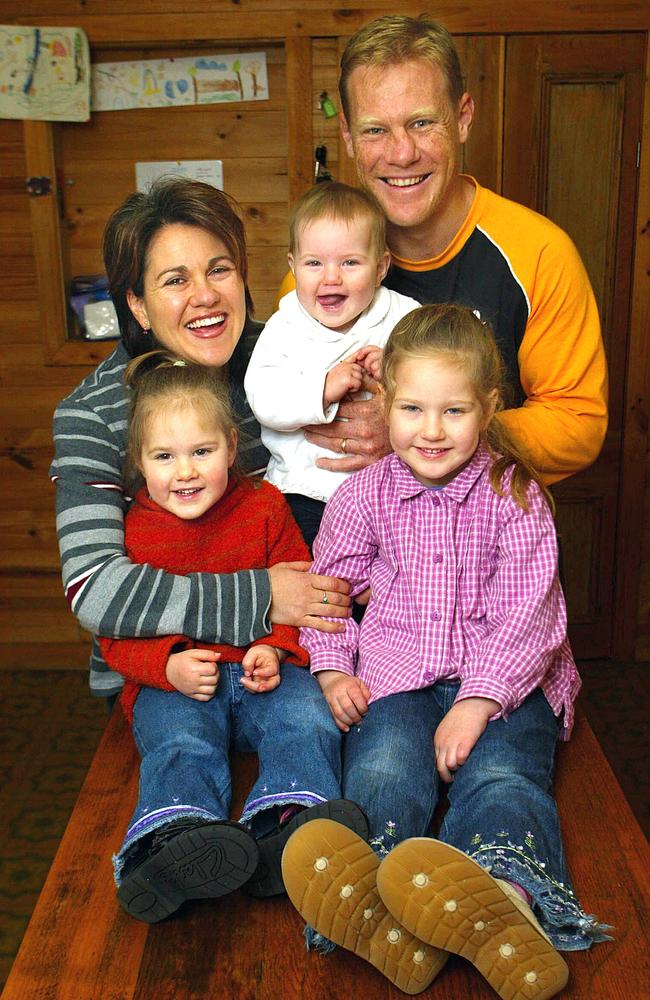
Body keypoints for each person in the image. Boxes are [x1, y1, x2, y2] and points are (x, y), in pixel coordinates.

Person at [282, 305, 609, 998]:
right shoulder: (363, 496)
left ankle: (504, 900)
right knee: (384, 765)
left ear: (488, 409)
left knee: (503, 775)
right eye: (413, 409)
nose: (432, 431)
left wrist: (477, 702)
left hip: (506, 682)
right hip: (398, 672)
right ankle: (380, 905)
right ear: (384, 404)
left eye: (454, 411)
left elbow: (530, 616)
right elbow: (329, 590)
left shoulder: (514, 494)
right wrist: (334, 665)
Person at [49, 177, 352, 703]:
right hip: (166, 676)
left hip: (296, 655)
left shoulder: (297, 362)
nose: (205, 296)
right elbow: (94, 587)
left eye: (219, 269)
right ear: (138, 305)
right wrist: (262, 596)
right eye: (175, 280)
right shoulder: (92, 414)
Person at [97, 350, 367, 922]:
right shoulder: (136, 528)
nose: (185, 471)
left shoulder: (264, 507)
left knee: (306, 717)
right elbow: (118, 630)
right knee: (180, 741)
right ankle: (175, 837)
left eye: (202, 451)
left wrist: (277, 648)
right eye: (164, 457)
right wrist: (166, 665)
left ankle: (289, 824)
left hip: (262, 671)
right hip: (180, 685)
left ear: (231, 446)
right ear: (140, 463)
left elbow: (302, 593)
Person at [284, 14, 607, 488]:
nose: (401, 154)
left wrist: (426, 431)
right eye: (375, 130)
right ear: (348, 138)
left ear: (462, 118)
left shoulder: (539, 252)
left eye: (421, 123)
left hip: (488, 541)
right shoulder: (321, 269)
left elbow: (578, 425)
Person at [245, 181, 418, 547]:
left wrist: (394, 368)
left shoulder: (403, 317)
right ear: (293, 267)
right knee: (315, 577)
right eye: (314, 263)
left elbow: (434, 376)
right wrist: (321, 390)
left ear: (381, 267)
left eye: (350, 262)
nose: (331, 277)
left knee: (395, 573)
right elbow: (264, 397)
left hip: (390, 493)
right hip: (305, 491)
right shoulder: (285, 327)